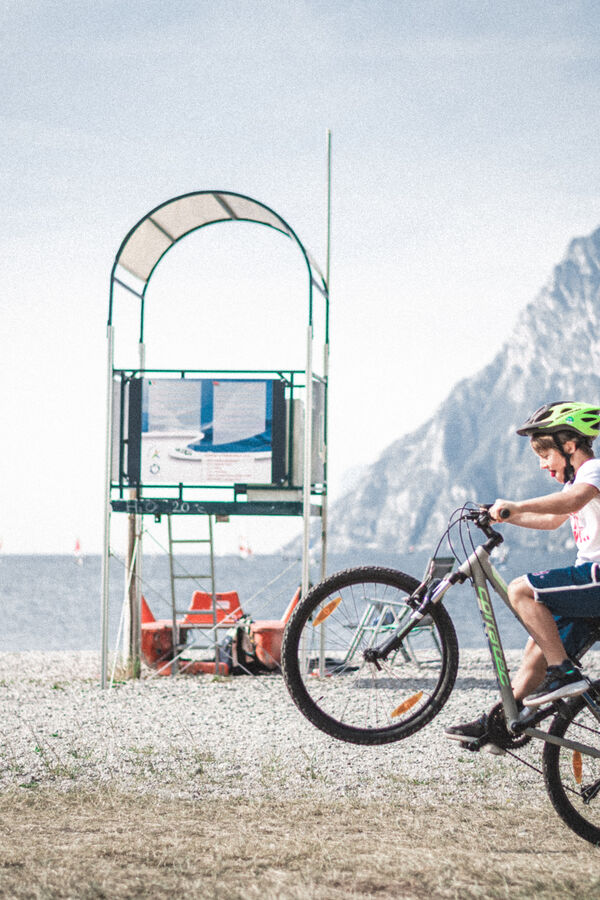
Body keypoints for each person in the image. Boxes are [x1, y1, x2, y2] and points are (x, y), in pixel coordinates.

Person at [445, 401, 600, 752]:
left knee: (521, 590)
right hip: (590, 581)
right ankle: (501, 723)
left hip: (597, 578)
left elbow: (571, 501)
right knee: (536, 652)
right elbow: (550, 519)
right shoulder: (579, 481)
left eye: (545, 454)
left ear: (570, 445)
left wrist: (518, 504)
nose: (543, 464)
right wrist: (504, 515)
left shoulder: (594, 472)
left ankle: (565, 673)